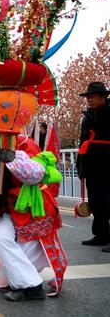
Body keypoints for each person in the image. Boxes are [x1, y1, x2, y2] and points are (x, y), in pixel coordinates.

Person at [0, 130, 65, 301]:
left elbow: (38, 174)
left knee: (25, 251)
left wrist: (13, 159)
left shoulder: (24, 143)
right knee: (2, 239)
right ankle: (29, 283)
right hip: (6, 207)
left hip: (32, 207)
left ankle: (30, 286)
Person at [77, 82, 110, 251]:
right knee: (96, 201)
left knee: (108, 200)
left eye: (93, 97)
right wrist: (80, 166)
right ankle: (101, 235)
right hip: (91, 163)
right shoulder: (87, 117)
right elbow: (83, 142)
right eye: (88, 97)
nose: (89, 100)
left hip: (107, 162)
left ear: (104, 97)